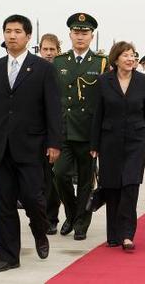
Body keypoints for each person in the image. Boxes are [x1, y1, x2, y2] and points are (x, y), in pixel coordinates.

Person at [0, 14, 62, 272]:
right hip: (0, 146)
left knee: (33, 198)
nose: (12, 35)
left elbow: (53, 109)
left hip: (31, 146)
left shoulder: (43, 68)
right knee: (4, 204)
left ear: (28, 36)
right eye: (8, 31)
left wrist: (55, 143)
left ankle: (40, 229)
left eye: (17, 31)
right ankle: (9, 256)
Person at [90, 41, 145, 250]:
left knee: (130, 185)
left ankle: (127, 234)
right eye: (126, 55)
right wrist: (94, 144)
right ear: (116, 59)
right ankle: (113, 234)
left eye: (133, 55)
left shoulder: (144, 81)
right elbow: (98, 115)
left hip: (136, 142)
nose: (131, 59)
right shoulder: (104, 82)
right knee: (112, 186)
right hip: (109, 141)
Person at [53, 13, 109, 241]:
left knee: (86, 180)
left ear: (91, 36)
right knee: (59, 174)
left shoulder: (101, 63)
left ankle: (81, 224)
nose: (80, 36)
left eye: (84, 33)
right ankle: (72, 213)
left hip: (88, 131)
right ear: (70, 35)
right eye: (76, 32)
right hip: (64, 130)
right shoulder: (59, 62)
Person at [38, 32, 63, 235]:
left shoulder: (61, 71)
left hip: (58, 132)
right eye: (45, 49)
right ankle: (41, 217)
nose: (48, 53)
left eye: (52, 50)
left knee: (55, 179)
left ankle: (53, 217)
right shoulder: (33, 70)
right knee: (39, 180)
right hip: (36, 133)